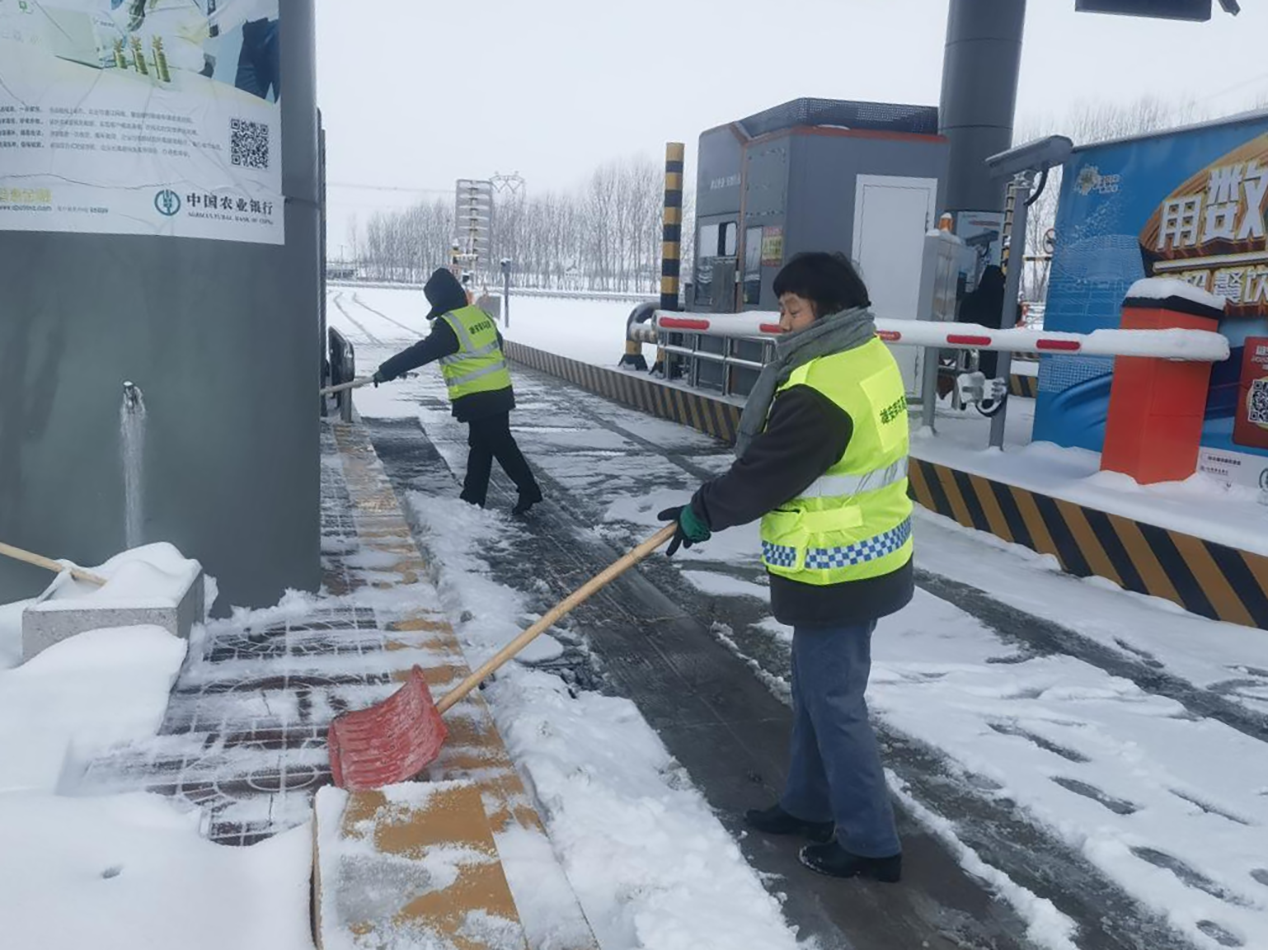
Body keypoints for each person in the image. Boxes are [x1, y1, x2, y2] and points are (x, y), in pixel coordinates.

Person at [658, 251, 912, 882]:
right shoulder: (862, 354)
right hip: (863, 556)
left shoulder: (823, 389)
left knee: (834, 702)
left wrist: (702, 513)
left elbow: (767, 473)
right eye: (782, 308)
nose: (782, 321)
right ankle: (809, 803)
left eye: (793, 309)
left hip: (839, 569)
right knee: (816, 693)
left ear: (826, 311)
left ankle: (871, 842)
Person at [373, 268, 543, 516]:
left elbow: (421, 352)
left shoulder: (450, 325)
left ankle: (529, 490)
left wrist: (386, 370)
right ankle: (473, 499)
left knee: (500, 444)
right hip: (500, 389)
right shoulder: (478, 314)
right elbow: (498, 343)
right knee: (482, 445)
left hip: (478, 395)